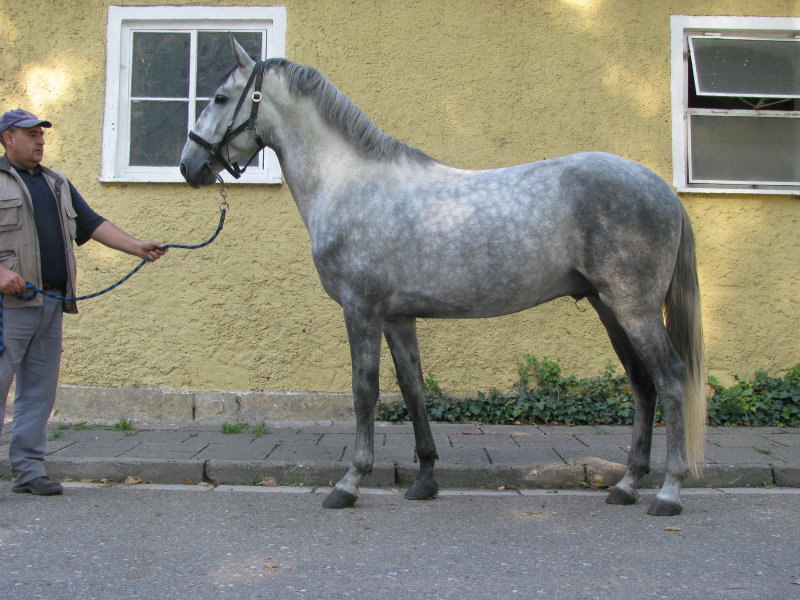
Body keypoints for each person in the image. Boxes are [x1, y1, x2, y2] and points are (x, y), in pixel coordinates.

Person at [0, 109, 167, 496]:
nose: (41, 141)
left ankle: (27, 472)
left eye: (42, 134)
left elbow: (92, 225)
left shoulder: (57, 184)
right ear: (8, 138)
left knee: (38, 393)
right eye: (31, 135)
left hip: (51, 304)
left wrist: (136, 247)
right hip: (8, 310)